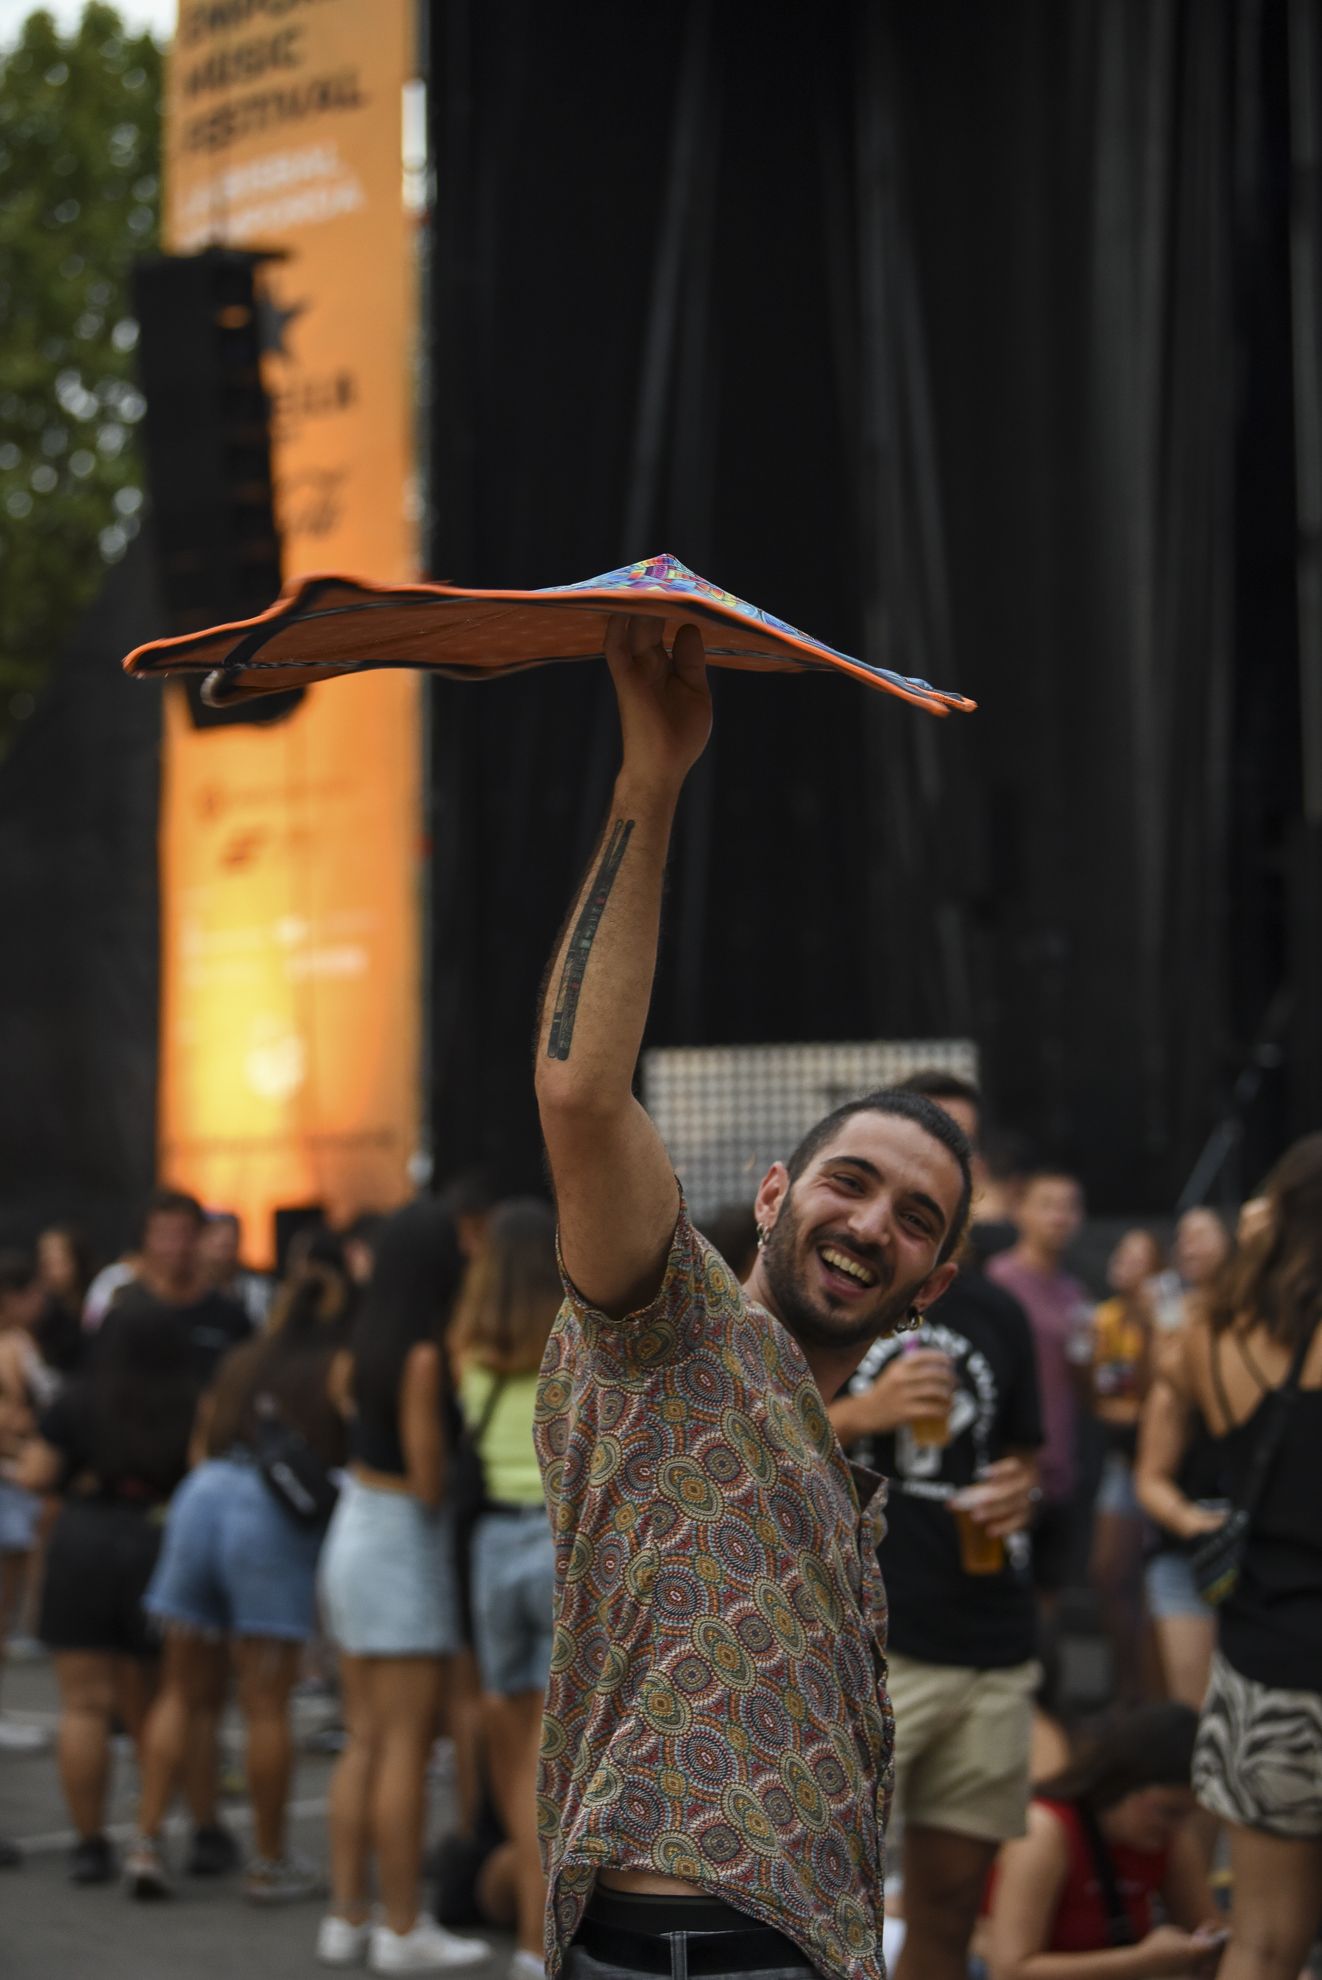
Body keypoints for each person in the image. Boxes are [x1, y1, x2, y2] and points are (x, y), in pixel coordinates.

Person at [533, 616, 972, 1980]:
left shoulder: (821, 1436)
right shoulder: (675, 1327)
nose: (869, 1225)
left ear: (932, 1283)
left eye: (913, 1219)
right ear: (775, 1195)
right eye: (849, 1183)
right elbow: (578, 1092)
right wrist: (649, 783)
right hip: (695, 1949)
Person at [829, 1069, 1043, 1980]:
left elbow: (1025, 1451)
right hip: (876, 1639)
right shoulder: (837, 1294)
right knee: (834, 1898)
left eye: (957, 1152)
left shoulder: (998, 1309)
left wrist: (1019, 1490)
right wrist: (866, 1417)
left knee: (954, 1903)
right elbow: (746, 1436)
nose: (939, 1167)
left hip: (990, 1637)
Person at [1137, 1135, 1322, 1980]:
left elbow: (1154, 1476)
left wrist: (1193, 1519)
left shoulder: (1203, 1336)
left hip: (1266, 1673)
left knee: (1265, 1941)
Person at [127, 1243, 352, 1903]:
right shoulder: (339, 1365)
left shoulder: (240, 1360)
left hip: (202, 1498)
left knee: (181, 1692)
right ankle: (270, 1861)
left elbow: (200, 1443)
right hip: (270, 1519)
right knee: (265, 1705)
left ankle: (143, 1844)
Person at [317, 1198, 490, 1973]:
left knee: (363, 1738)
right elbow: (427, 1482)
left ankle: (346, 1916)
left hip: (352, 1526)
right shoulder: (422, 1355)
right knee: (404, 1748)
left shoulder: (359, 1342)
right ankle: (401, 1926)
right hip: (398, 1542)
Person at [6, 1304, 196, 1882]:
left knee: (84, 1704)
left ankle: (89, 1844)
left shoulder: (77, 1399)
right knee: (161, 1698)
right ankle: (149, 1836)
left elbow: (38, 1476)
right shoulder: (187, 1403)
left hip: (83, 1539)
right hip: (157, 1539)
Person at [450, 1197, 560, 1980]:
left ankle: (527, 1947)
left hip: (492, 1551)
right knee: (563, 1765)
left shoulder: (467, 1351)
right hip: (559, 1549)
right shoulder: (574, 1346)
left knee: (517, 1763)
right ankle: (542, 1938)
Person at [986, 1702, 1223, 1977]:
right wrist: (1139, 1962)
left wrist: (1206, 1946)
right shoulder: (1046, 1831)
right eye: (1168, 1811)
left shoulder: (1167, 1837)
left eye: (1188, 1815)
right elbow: (1011, 1969)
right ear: (1124, 1784)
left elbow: (1207, 1928)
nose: (1176, 1827)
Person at [986, 1171, 1089, 1597]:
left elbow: (1085, 1385)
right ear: (1020, 1210)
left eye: (1069, 1206)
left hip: (1059, 1464)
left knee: (1049, 1599)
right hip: (1005, 1464)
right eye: (1048, 1204)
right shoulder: (999, 1280)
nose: (1059, 1217)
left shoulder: (1076, 1293)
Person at [1088, 1228, 1162, 1703]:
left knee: (1154, 1585)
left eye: (1140, 1255)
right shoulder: (1104, 1318)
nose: (1126, 1261)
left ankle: (1151, 1695)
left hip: (1163, 1463)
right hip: (1121, 1459)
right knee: (1107, 1572)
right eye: (1122, 1250)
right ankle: (1124, 1691)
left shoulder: (1170, 1313)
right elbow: (1101, 1398)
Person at [97, 1189, 253, 1383]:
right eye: (164, 1235)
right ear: (145, 1241)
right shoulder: (123, 1314)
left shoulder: (231, 1317)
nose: (176, 1247)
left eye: (185, 1234)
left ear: (202, 1238)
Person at [0, 1251, 58, 1753]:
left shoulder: (20, 1343)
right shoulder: (14, 1346)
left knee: (7, 1601)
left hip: (15, 1477)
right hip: (11, 1475)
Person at [198, 1211, 272, 1329]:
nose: (223, 1240)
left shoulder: (260, 1288)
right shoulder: (187, 1288)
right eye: (214, 1234)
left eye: (230, 1236)